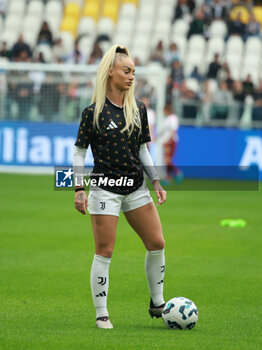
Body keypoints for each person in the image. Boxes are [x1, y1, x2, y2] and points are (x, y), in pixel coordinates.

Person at [73, 45, 166, 329]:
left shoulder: (138, 108)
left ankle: (157, 302)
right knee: (105, 250)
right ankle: (102, 313)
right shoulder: (93, 113)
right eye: (126, 71)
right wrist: (78, 188)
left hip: (136, 187)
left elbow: (142, 150)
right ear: (110, 72)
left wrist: (156, 181)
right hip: (105, 189)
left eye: (133, 72)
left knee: (157, 243)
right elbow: (79, 153)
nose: (131, 77)